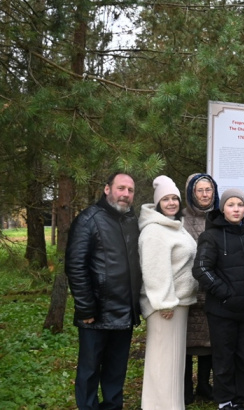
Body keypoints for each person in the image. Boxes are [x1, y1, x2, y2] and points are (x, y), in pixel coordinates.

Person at [66, 172, 141, 410]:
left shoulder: (131, 221)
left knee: (116, 371)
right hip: (96, 313)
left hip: (124, 313)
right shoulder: (88, 219)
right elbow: (75, 266)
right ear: (107, 189)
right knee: (89, 371)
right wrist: (86, 307)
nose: (125, 194)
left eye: (130, 190)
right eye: (121, 188)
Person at [192, 188, 244, 409]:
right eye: (231, 205)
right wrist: (225, 293)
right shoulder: (211, 235)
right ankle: (225, 401)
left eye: (240, 205)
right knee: (224, 358)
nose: (236, 209)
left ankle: (240, 399)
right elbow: (201, 269)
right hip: (222, 311)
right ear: (223, 208)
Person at [139, 175, 198, 409]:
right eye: (166, 199)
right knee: (162, 361)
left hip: (178, 304)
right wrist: (164, 303)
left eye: (175, 198)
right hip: (165, 307)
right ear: (158, 202)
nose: (172, 202)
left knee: (173, 361)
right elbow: (154, 270)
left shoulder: (174, 226)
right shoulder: (154, 231)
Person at [182, 173, 219, 404]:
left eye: (208, 190)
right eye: (200, 190)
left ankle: (205, 384)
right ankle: (185, 387)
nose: (205, 195)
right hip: (187, 289)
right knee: (185, 345)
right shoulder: (180, 218)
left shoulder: (218, 217)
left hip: (213, 290)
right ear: (191, 193)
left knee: (209, 343)